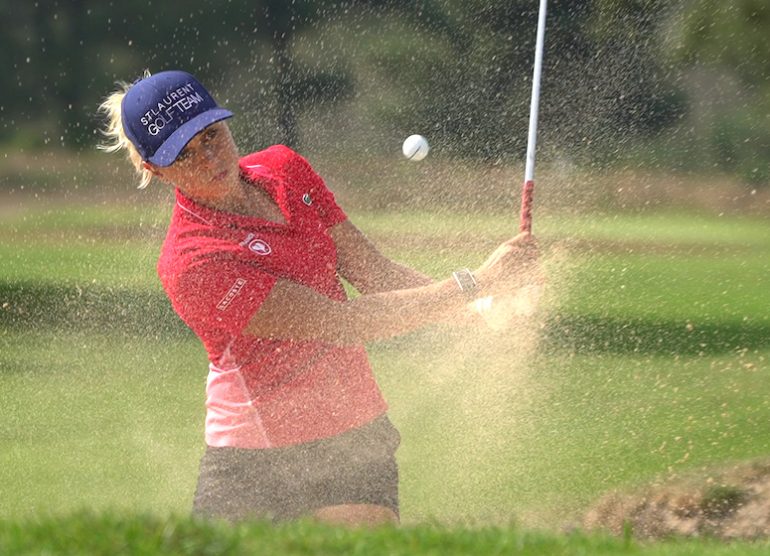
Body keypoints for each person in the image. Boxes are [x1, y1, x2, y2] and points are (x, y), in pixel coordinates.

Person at [98, 69, 539, 527]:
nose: (209, 159)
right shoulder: (192, 262)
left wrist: (484, 314)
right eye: (185, 155)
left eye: (212, 136)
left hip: (353, 431)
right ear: (154, 169)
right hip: (257, 457)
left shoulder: (284, 168)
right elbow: (344, 323)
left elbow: (377, 275)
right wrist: (479, 281)